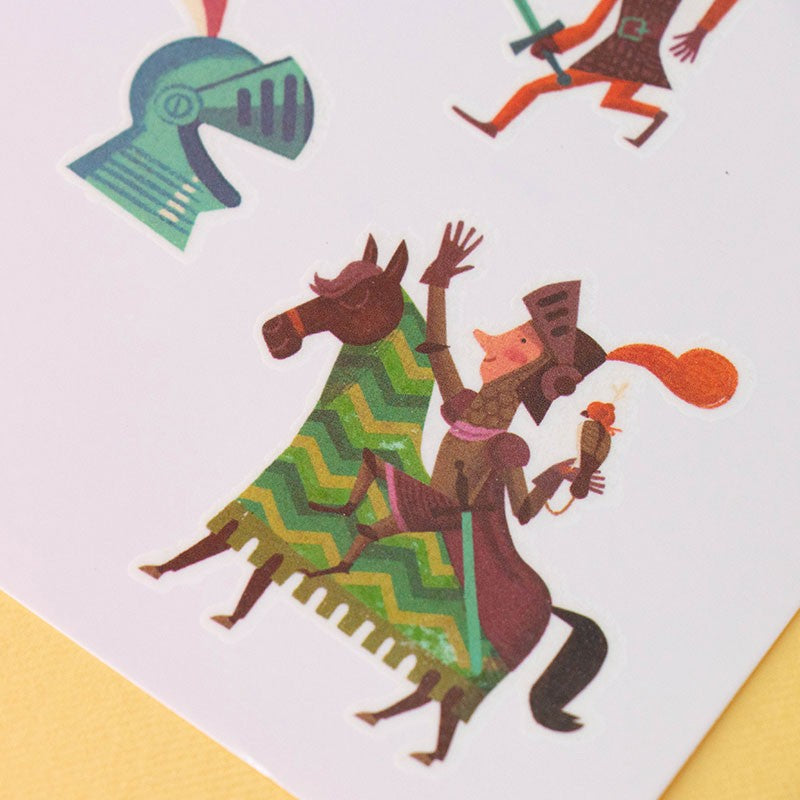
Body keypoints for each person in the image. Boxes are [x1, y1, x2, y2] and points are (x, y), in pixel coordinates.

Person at [453, 0, 741, 146]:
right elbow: (590, 27)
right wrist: (554, 44)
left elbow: (589, 28)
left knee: (542, 88)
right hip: (621, 56)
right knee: (606, 99)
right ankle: (655, 114)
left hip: (625, 58)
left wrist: (702, 30)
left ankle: (496, 126)